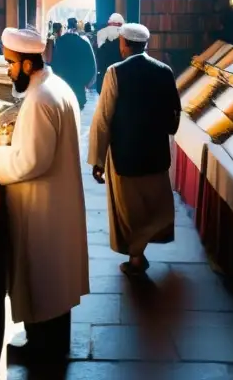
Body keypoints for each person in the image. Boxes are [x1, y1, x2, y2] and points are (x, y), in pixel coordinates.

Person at [0, 27, 89, 362]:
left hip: (42, 204)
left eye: (11, 63)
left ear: (28, 65)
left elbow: (30, 161)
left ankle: (43, 350)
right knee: (53, 281)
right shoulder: (53, 87)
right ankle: (47, 344)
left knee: (43, 279)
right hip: (53, 199)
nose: (8, 70)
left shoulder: (39, 99)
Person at [89, 23, 181, 276]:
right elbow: (175, 113)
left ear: (124, 44)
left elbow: (103, 117)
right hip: (156, 152)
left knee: (129, 209)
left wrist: (97, 159)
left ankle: (137, 256)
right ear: (146, 44)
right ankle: (140, 252)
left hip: (125, 153)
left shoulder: (115, 72)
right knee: (155, 205)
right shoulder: (165, 70)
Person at [51, 17, 97, 109]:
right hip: (79, 90)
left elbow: (53, 63)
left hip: (62, 89)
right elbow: (91, 64)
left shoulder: (59, 42)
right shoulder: (84, 42)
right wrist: (87, 82)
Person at [96, 14, 124, 93]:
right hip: (121, 73)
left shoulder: (101, 33)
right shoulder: (124, 34)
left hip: (105, 73)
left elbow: (100, 55)